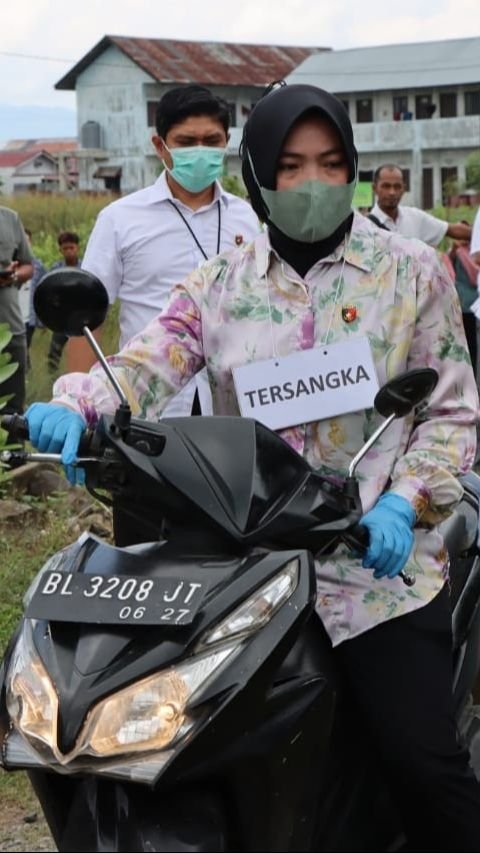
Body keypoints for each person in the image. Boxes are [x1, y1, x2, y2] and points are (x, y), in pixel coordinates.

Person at [25, 83, 480, 850]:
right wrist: (77, 403)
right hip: (244, 561)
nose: (313, 183)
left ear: (357, 168)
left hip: (372, 570)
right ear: (259, 173)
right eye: (292, 165)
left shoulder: (412, 273)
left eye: (332, 164)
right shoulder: (221, 283)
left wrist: (404, 501)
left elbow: (453, 412)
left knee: (421, 762)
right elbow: (143, 363)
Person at [72, 84, 260, 417]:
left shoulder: (244, 216)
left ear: (227, 142)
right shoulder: (120, 219)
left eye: (212, 141)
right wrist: (78, 407)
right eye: (187, 142)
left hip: (234, 403)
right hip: (152, 404)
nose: (200, 151)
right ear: (160, 145)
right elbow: (86, 318)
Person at [370, 164, 472, 245]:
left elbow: (450, 229)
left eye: (397, 186)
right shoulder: (366, 226)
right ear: (375, 188)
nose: (392, 192)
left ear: (403, 189)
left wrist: (475, 234)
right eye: (386, 186)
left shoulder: (415, 217)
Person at [0, 205, 33, 413]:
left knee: (12, 410)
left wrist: (13, 276)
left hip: (10, 328)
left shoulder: (10, 218)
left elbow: (28, 265)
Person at [447, 224, 480, 376]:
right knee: (469, 343)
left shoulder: (461, 253)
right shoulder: (459, 253)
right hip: (466, 305)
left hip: (466, 305)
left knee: (470, 343)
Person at [47, 231, 82, 372]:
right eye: (65, 248)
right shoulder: (56, 269)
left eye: (71, 248)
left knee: (81, 352)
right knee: (54, 352)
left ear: (77, 248)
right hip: (61, 319)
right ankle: (51, 380)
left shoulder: (85, 267)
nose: (68, 252)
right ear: (60, 250)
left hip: (81, 318)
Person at [23, 229, 46, 351]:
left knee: (23, 348)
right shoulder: (6, 265)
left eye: (27, 241)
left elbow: (44, 293)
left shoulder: (38, 266)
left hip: (28, 317)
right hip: (9, 315)